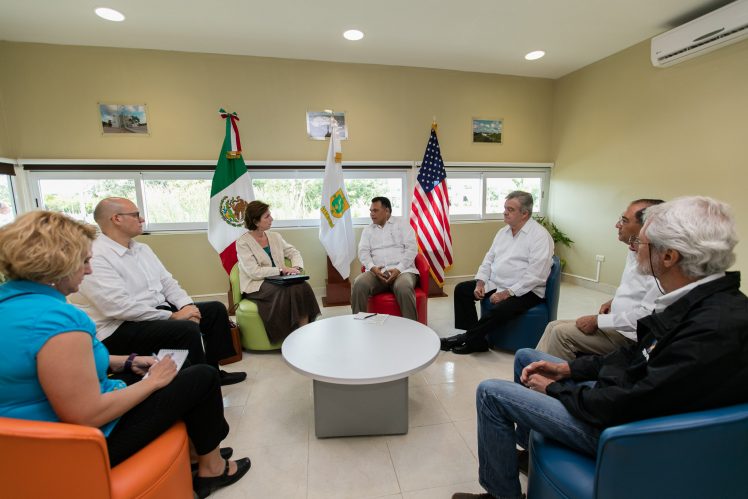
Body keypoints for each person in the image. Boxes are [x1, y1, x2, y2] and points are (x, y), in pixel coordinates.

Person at [451, 196, 748, 499]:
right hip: (618, 401)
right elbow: (636, 355)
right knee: (527, 357)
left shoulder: (711, 328)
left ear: (668, 256)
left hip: (618, 432)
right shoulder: (698, 302)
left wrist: (554, 389)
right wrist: (568, 367)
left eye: (642, 243)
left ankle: (501, 496)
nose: (634, 248)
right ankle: (527, 454)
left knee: (491, 392)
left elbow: (626, 403)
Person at [0, 211, 251, 498]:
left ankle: (197, 450)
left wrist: (126, 361)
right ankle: (212, 468)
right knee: (200, 377)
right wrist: (151, 382)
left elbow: (51, 367)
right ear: (58, 263)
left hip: (23, 446)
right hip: (79, 447)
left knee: (174, 369)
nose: (89, 270)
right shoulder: (57, 320)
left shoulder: (9, 305)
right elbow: (87, 414)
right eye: (83, 261)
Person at [74, 197, 246, 386]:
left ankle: (213, 371)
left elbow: (167, 282)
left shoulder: (142, 248)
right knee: (185, 329)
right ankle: (197, 384)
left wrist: (188, 307)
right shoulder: (96, 256)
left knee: (214, 310)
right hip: (118, 327)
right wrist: (173, 317)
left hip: (153, 311)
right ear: (116, 219)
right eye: (136, 215)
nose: (142, 219)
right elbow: (118, 307)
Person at [535, 198, 664, 360]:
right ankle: (532, 373)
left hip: (629, 336)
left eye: (624, 221)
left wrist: (598, 321)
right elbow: (637, 290)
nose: (617, 225)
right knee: (552, 326)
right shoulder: (633, 251)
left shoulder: (657, 263)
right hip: (617, 324)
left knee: (561, 334)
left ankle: (548, 380)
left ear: (646, 226)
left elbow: (646, 316)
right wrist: (614, 301)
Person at [442, 191, 554, 354]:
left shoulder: (540, 236)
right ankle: (477, 341)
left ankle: (466, 338)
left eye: (510, 209)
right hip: (497, 282)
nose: (505, 212)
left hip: (525, 290)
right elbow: (489, 259)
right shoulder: (503, 232)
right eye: (505, 208)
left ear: (525, 214)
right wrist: (481, 282)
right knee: (462, 290)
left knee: (499, 310)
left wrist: (506, 294)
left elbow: (536, 276)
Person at [236, 200, 320, 343]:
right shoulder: (243, 242)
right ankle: (286, 338)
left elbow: (294, 252)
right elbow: (254, 272)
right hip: (257, 284)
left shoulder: (275, 237)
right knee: (286, 291)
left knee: (302, 286)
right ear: (256, 221)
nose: (271, 219)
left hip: (281, 279)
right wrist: (281, 269)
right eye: (267, 216)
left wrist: (297, 269)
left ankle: (303, 333)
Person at [351, 196, 419, 321]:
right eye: (370, 211)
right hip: (377, 273)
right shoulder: (368, 230)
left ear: (386, 211)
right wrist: (372, 268)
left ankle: (412, 329)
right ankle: (358, 324)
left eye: (375, 210)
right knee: (359, 283)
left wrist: (398, 269)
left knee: (403, 287)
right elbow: (363, 252)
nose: (371, 214)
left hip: (402, 271)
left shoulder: (402, 225)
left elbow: (412, 249)